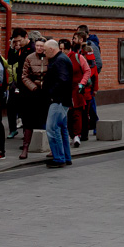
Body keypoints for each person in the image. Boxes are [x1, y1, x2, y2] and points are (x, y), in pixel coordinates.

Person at [41, 39, 75, 168]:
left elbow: (62, 80)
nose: (44, 53)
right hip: (62, 100)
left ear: (51, 49)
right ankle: (65, 156)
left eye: (45, 50)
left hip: (58, 100)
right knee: (61, 129)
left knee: (52, 128)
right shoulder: (61, 59)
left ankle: (59, 158)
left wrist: (50, 92)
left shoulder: (59, 60)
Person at [16, 36, 48, 160]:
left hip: (45, 92)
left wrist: (46, 86)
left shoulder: (49, 58)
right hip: (32, 92)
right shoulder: (29, 58)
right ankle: (25, 147)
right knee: (28, 120)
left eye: (41, 46)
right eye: (37, 45)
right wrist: (33, 87)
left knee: (46, 119)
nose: (39, 48)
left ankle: (49, 146)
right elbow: (24, 76)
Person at [66, 35, 93, 148]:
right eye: (60, 49)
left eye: (65, 49)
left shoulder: (78, 57)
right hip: (65, 90)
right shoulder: (58, 58)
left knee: (77, 113)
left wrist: (82, 83)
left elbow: (88, 71)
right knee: (67, 114)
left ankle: (77, 135)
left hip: (77, 89)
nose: (63, 51)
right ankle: (71, 134)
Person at [4, 30, 29, 139]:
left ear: (25, 37)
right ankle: (13, 129)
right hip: (15, 83)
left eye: (19, 41)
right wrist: (12, 48)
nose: (18, 43)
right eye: (16, 41)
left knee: (24, 109)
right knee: (11, 107)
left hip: (25, 83)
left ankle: (26, 132)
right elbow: (10, 62)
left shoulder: (29, 49)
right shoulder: (17, 50)